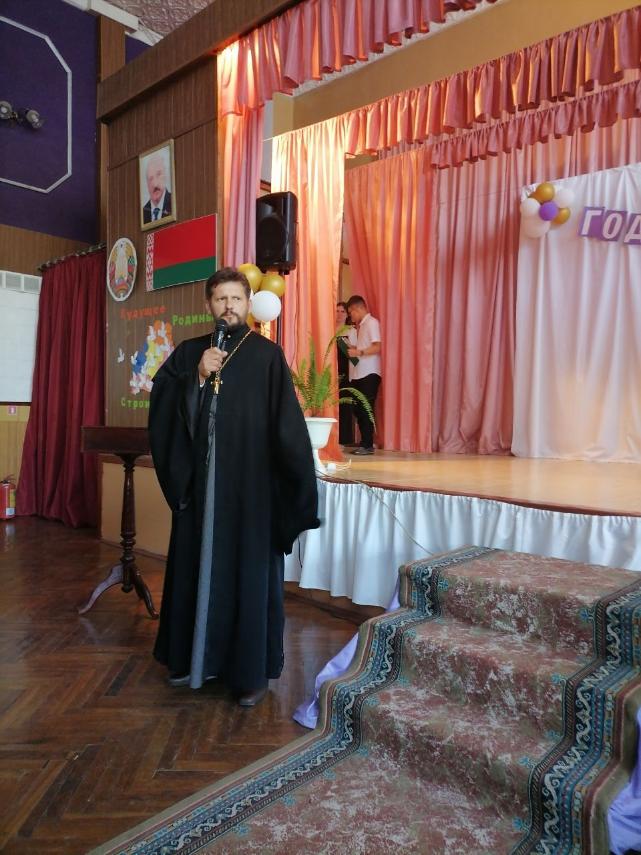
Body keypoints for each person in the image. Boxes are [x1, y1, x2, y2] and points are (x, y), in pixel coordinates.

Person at [148, 267, 320, 707]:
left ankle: (248, 673)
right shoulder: (190, 352)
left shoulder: (266, 356)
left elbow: (287, 426)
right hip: (200, 489)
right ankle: (189, 659)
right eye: (220, 299)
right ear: (209, 304)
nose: (229, 306)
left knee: (248, 576)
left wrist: (294, 488)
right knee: (194, 568)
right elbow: (161, 399)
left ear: (248, 304)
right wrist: (195, 378)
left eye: (236, 299)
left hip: (249, 492)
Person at [346, 295, 381, 455]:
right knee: (358, 408)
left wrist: (359, 352)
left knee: (366, 409)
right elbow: (365, 347)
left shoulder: (372, 323)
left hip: (369, 373)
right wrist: (354, 349)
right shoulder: (361, 326)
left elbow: (377, 346)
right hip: (359, 373)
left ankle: (367, 444)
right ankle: (364, 442)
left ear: (358, 308)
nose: (351, 316)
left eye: (351, 312)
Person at [336, 301, 355, 446]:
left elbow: (354, 357)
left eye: (343, 311)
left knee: (345, 405)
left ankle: (345, 439)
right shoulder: (328, 328)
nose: (339, 314)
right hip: (330, 372)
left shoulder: (350, 331)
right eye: (337, 311)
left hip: (345, 372)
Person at [143, 152, 172, 224]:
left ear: (165, 175)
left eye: (158, 174)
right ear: (147, 184)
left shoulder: (174, 203)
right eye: (150, 179)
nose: (155, 184)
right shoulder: (143, 213)